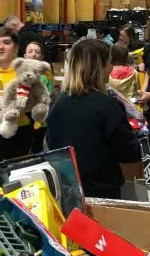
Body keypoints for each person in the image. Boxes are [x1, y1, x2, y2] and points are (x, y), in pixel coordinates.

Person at [47, 39, 141, 199]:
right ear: (100, 66)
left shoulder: (57, 102)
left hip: (67, 189)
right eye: (110, 62)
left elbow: (52, 144)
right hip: (101, 191)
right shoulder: (107, 105)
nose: (112, 68)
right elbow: (128, 153)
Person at [0, 27, 34, 162]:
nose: (1, 47)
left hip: (21, 130)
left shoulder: (26, 72)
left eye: (6, 42)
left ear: (16, 47)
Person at [23, 40, 54, 153]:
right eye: (30, 51)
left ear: (41, 57)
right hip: (23, 119)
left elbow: (47, 98)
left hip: (39, 119)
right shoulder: (19, 74)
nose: (34, 54)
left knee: (37, 149)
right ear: (25, 56)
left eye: (37, 52)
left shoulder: (46, 76)